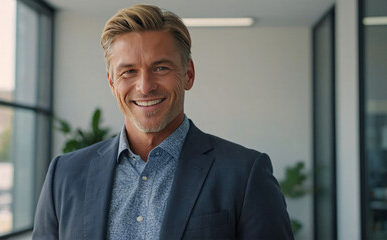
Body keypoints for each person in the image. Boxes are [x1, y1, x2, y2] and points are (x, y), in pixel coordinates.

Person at [32, 4, 294, 240]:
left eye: (161, 68)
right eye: (129, 71)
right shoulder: (64, 175)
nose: (145, 87)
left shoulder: (245, 174)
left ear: (188, 74)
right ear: (112, 83)